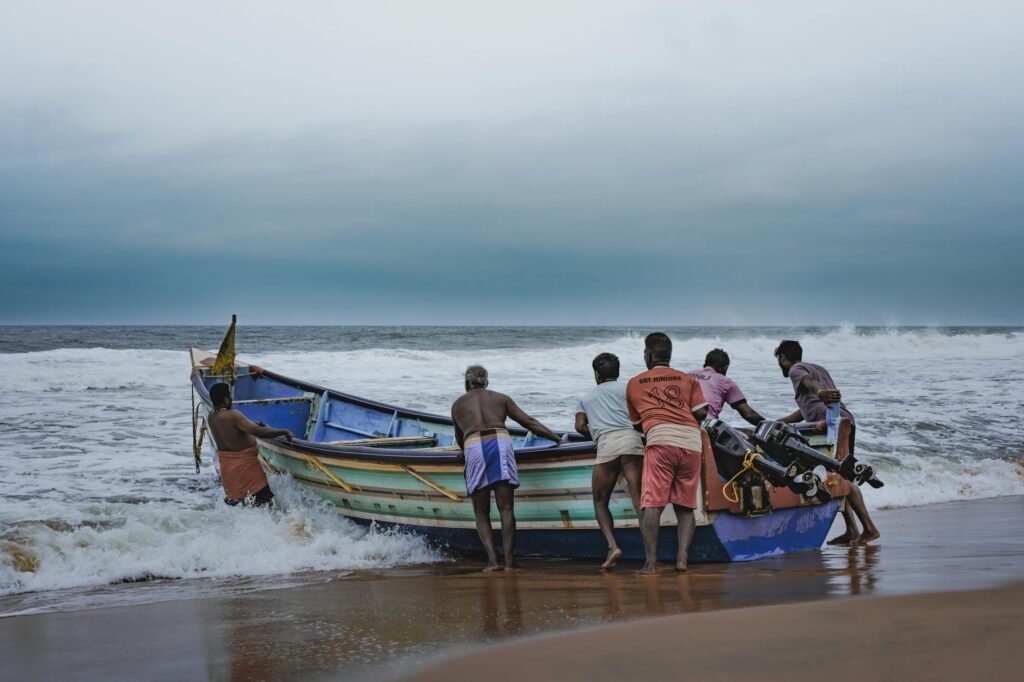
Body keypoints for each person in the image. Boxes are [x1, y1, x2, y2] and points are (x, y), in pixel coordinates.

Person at [451, 365, 564, 572]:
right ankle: (510, 562)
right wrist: (557, 439)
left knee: (481, 512)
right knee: (506, 508)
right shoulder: (500, 398)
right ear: (486, 381)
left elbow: (460, 438)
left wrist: (463, 452)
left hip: (474, 445)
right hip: (500, 442)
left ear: (467, 383)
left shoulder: (457, 404)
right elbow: (529, 422)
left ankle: (493, 562)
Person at [773, 340, 880, 545]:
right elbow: (806, 409)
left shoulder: (796, 369)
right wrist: (779, 422)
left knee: (843, 477)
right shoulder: (818, 368)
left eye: (780, 360)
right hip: (842, 420)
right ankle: (851, 529)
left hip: (832, 426)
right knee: (837, 474)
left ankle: (869, 528)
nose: (780, 365)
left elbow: (812, 387)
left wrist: (820, 393)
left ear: (782, 358)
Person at [626, 333, 709, 575]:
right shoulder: (687, 379)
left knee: (651, 504)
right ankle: (682, 560)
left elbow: (636, 423)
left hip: (660, 441)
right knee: (685, 506)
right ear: (669, 355)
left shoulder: (634, 383)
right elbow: (703, 413)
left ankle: (650, 564)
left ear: (649, 355)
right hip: (692, 442)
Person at [575, 352, 644, 570]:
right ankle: (652, 553)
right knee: (640, 502)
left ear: (596, 374)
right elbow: (642, 417)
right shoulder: (629, 390)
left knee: (600, 501)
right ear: (618, 372)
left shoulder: (586, 398)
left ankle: (613, 546)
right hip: (632, 443)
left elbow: (579, 427)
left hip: (607, 445)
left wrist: (595, 428)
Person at [207, 382, 293, 507]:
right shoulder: (232, 415)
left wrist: (254, 423)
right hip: (247, 473)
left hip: (228, 474)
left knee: (239, 507)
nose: (232, 399)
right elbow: (260, 432)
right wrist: (284, 431)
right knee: (267, 508)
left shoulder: (212, 416)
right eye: (230, 396)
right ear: (226, 399)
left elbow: (232, 428)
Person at [687, 348, 766, 426]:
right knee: (749, 434)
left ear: (705, 364)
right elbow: (749, 414)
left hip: (677, 419)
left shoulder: (687, 375)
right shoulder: (725, 381)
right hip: (705, 425)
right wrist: (768, 426)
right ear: (723, 368)